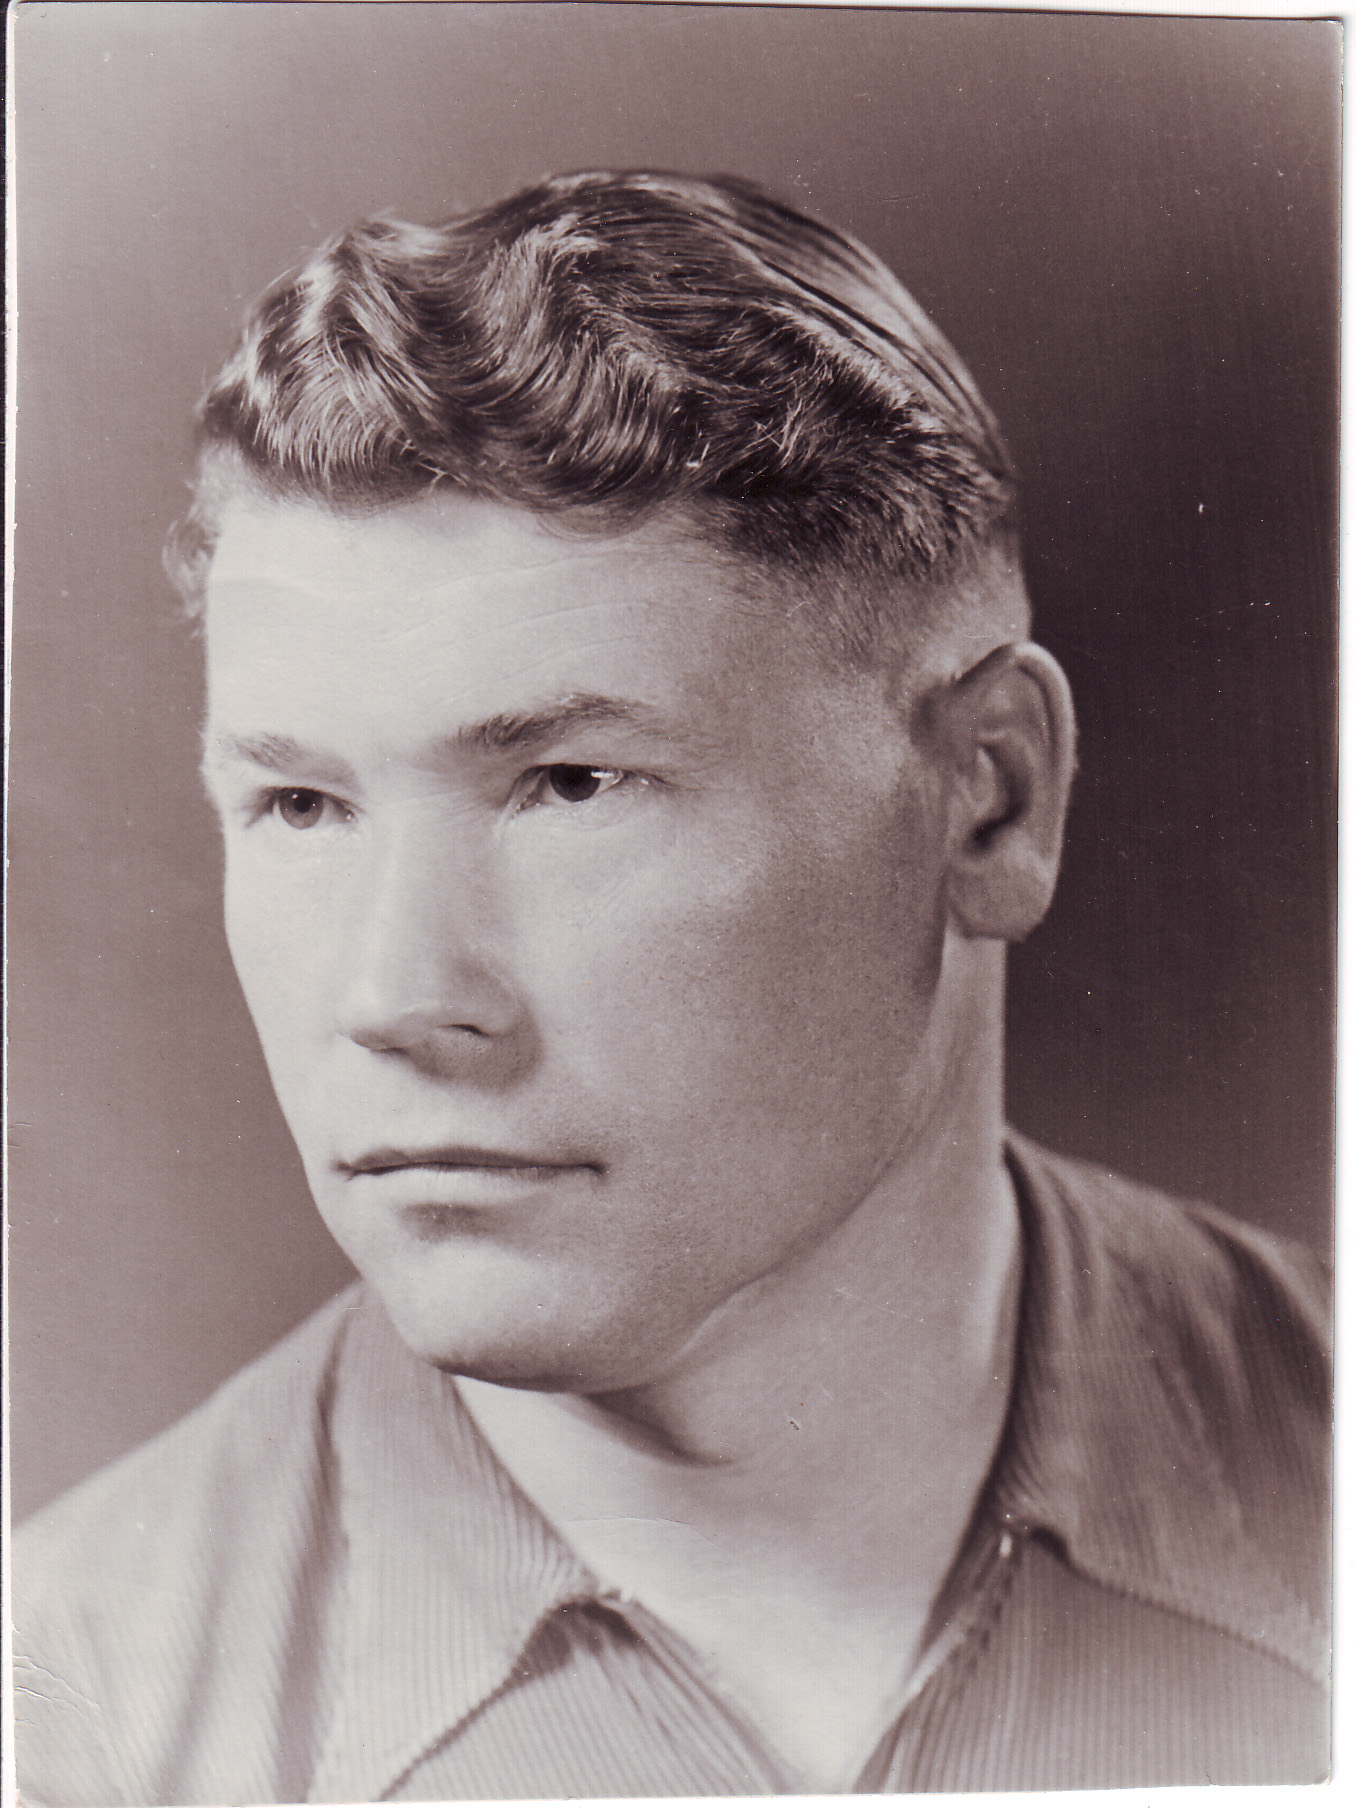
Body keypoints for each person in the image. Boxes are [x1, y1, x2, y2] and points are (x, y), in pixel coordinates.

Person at [13, 171, 1330, 1803]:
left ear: (989, 798)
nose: (394, 997)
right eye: (300, 805)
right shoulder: (67, 1718)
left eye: (571, 784)